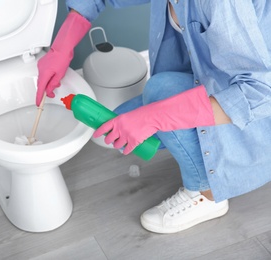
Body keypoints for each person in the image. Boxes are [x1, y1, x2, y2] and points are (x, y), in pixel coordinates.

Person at [36, 1, 271, 234]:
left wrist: (154, 117)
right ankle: (191, 137)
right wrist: (60, 50)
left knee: (157, 97)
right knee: (124, 119)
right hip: (207, 79)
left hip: (255, 110)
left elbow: (259, 93)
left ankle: (206, 195)